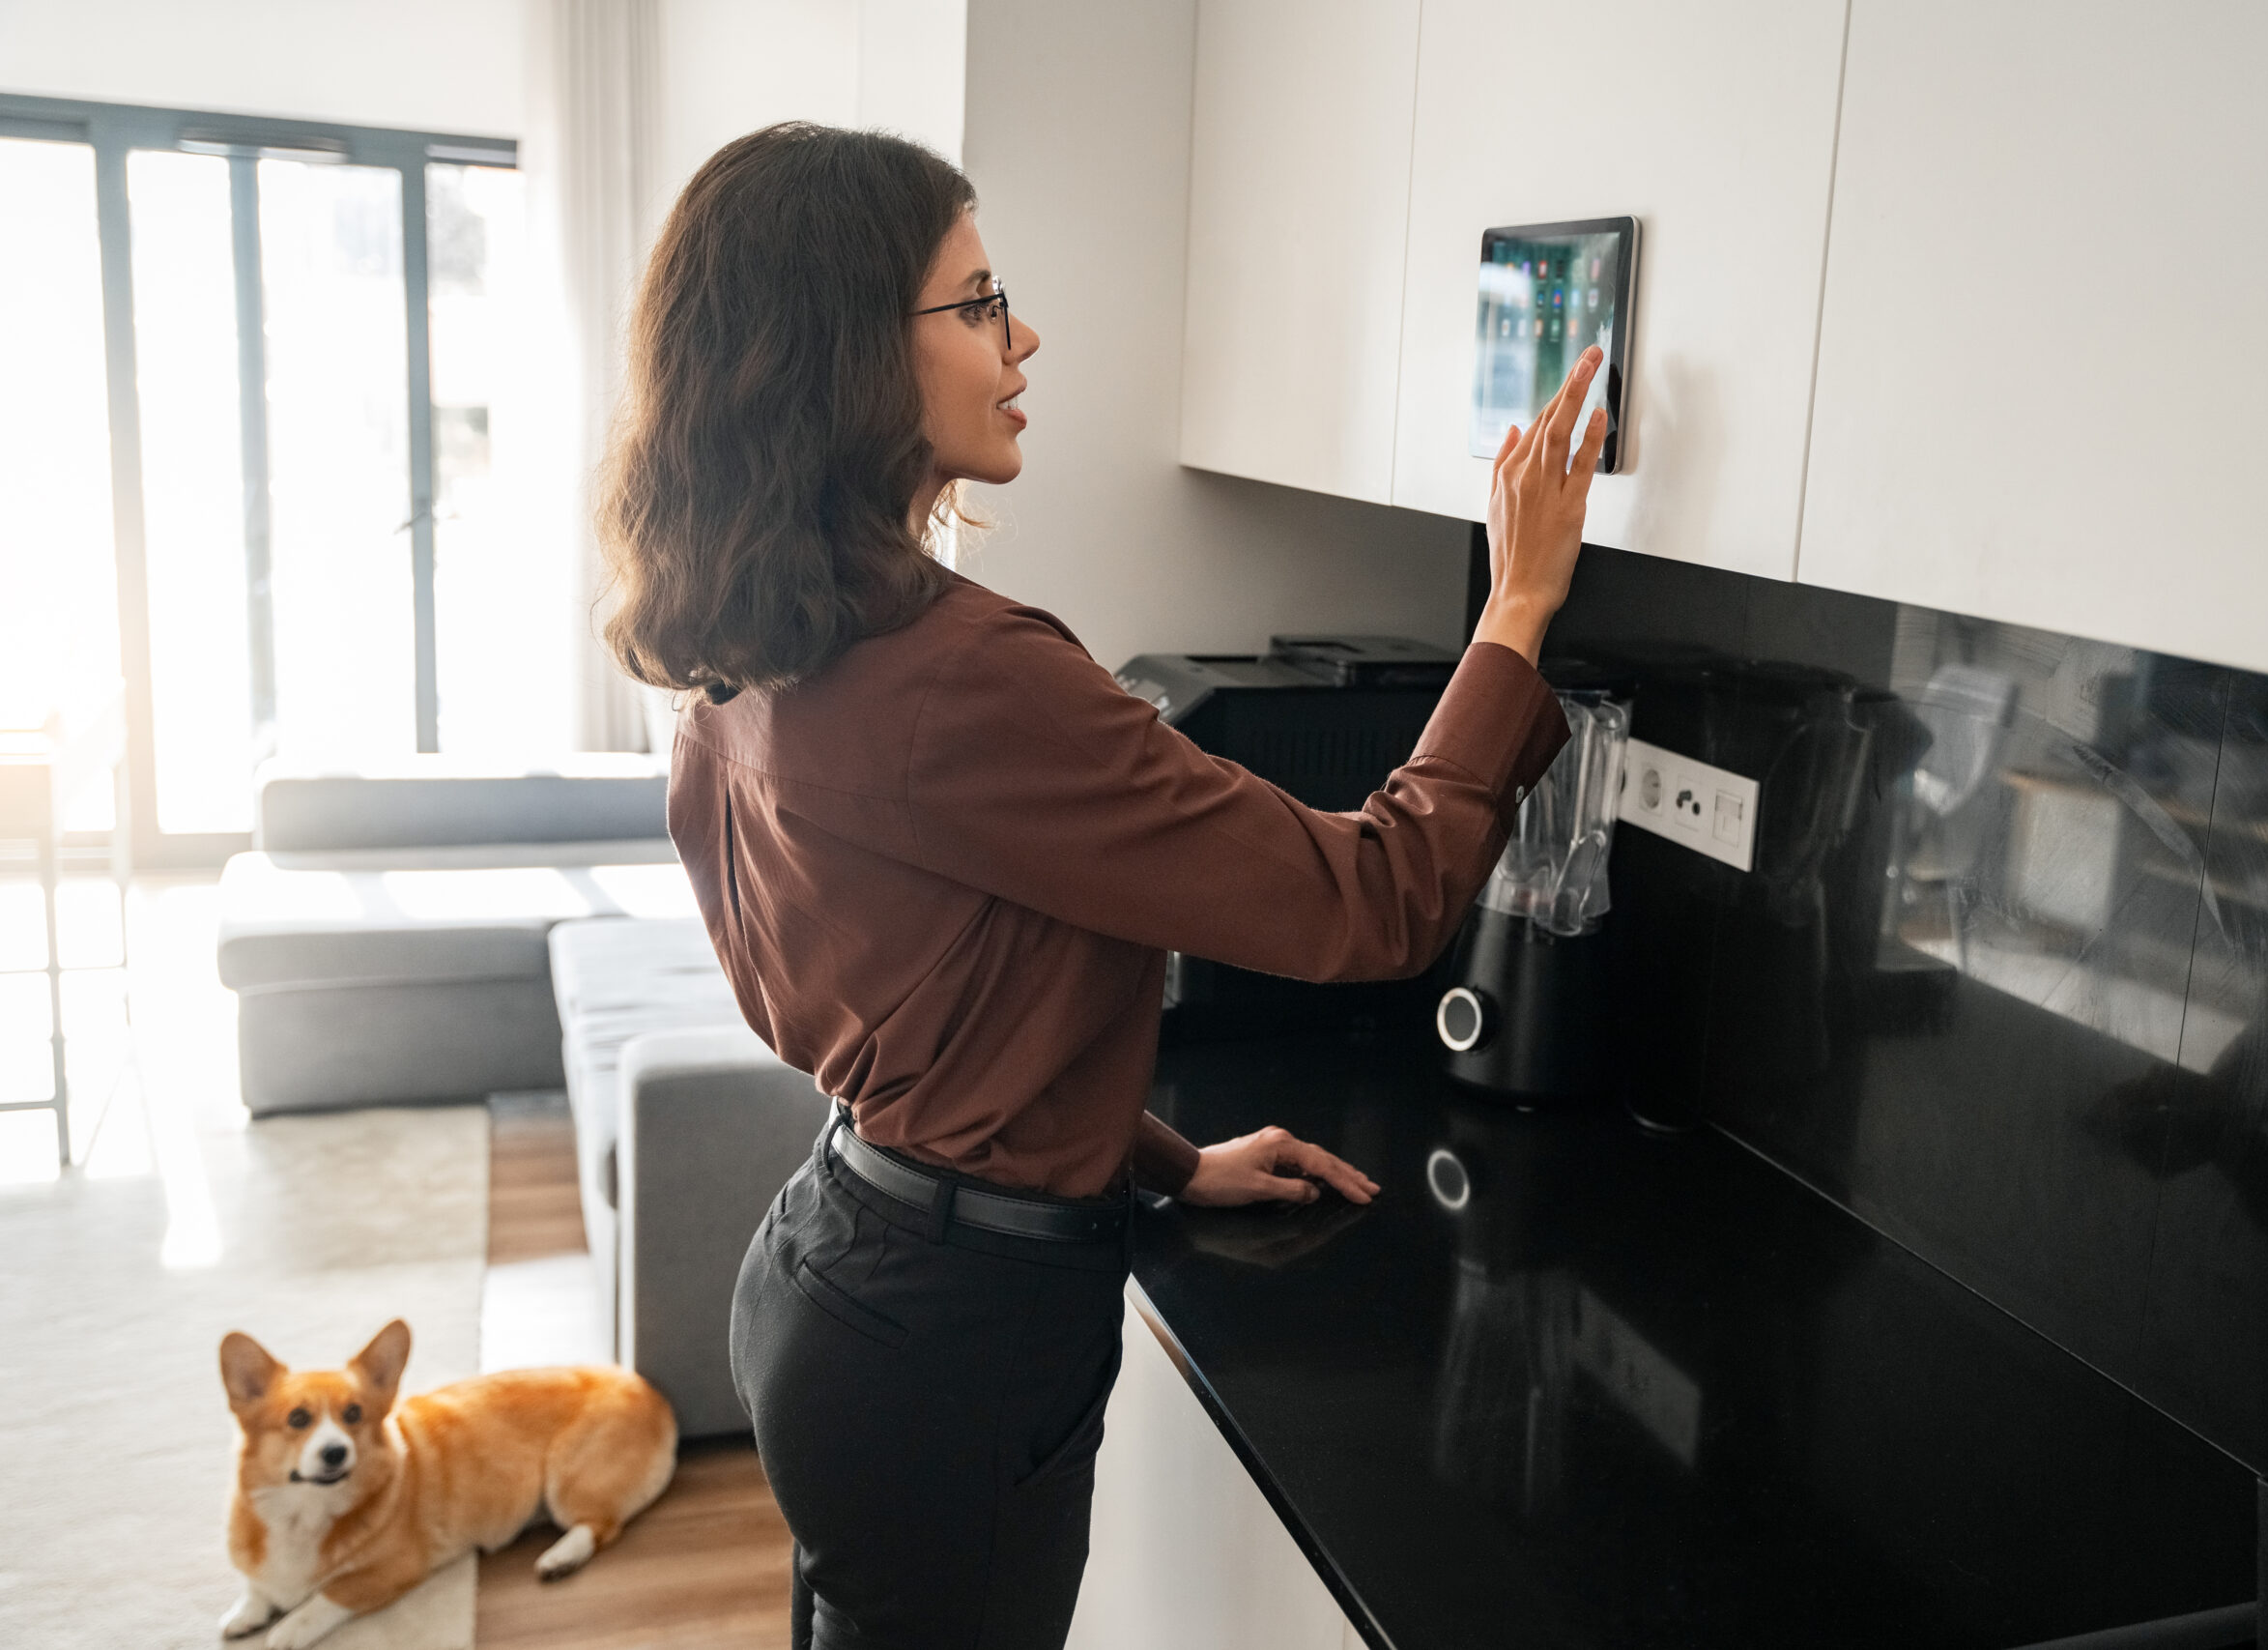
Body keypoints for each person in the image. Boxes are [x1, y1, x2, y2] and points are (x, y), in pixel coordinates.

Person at [597, 123, 1605, 1650]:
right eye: (981, 301)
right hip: (956, 1344)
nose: (1026, 334)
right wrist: (1517, 607)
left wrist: (1162, 1161)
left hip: (833, 1281)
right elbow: (1374, 901)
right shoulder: (968, 679)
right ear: (848, 354)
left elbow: (913, 1028)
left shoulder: (745, 650)